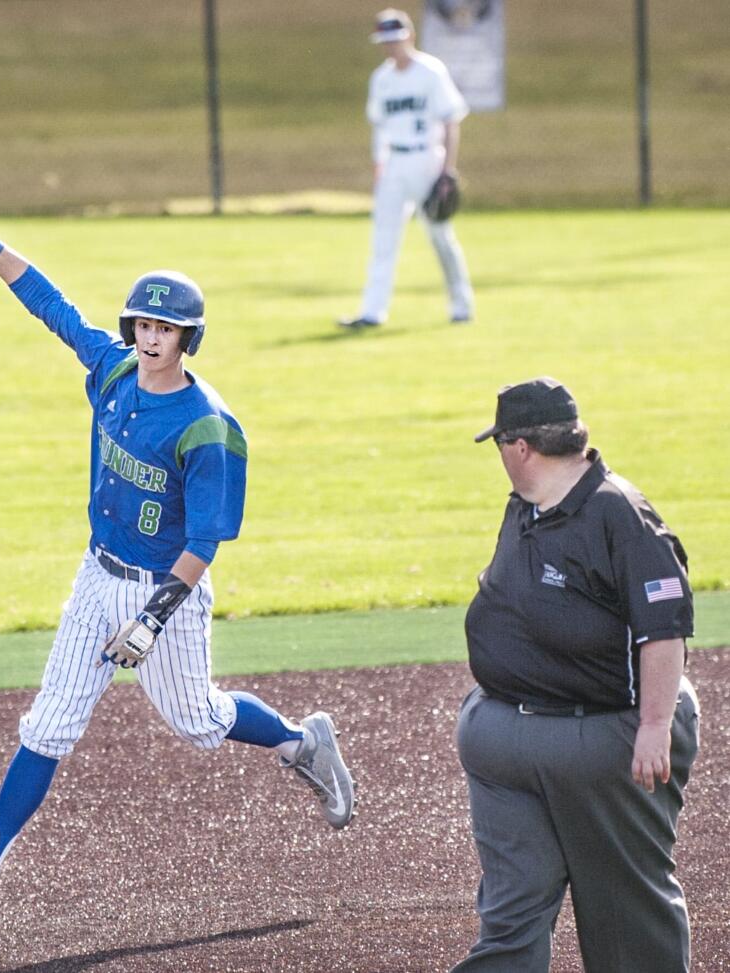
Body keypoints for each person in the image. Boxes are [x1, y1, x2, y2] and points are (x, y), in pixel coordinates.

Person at [0, 176, 356, 921]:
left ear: (188, 339)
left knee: (200, 723)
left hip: (167, 590)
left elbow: (206, 540)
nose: (150, 338)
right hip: (97, 576)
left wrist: (152, 617)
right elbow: (50, 305)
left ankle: (302, 742)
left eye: (166, 329)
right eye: (143, 323)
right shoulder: (113, 369)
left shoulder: (209, 427)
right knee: (48, 724)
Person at [452, 377, 700, 971]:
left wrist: (655, 725)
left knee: (626, 914)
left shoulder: (622, 515)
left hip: (604, 736)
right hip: (506, 741)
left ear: (519, 447)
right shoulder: (528, 507)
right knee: (511, 912)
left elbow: (663, 629)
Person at [339, 8, 474, 330]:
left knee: (440, 235)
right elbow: (380, 127)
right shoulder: (382, 79)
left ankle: (461, 306)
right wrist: (379, 165)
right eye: (385, 41)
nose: (391, 47)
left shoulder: (430, 71)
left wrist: (447, 171)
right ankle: (373, 312)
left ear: (410, 36)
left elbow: (451, 121)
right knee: (383, 238)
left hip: (427, 158)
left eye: (396, 40)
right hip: (394, 163)